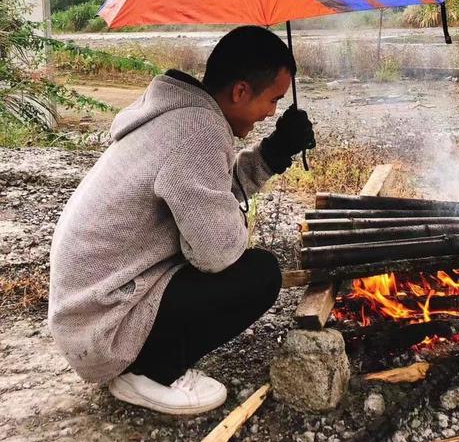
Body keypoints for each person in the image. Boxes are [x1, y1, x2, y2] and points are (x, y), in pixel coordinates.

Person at [48, 26, 315, 415]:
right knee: (259, 274)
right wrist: (235, 225)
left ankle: (143, 360)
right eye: (272, 100)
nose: (272, 112)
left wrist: (273, 153)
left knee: (240, 260)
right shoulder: (199, 132)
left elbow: (210, 192)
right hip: (104, 326)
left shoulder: (181, 113)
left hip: (88, 308)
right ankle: (150, 373)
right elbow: (215, 253)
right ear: (240, 91)